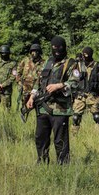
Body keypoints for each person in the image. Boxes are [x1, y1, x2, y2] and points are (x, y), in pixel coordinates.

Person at [26, 36, 79, 164]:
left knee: (60, 140)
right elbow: (39, 82)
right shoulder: (47, 62)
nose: (56, 50)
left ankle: (63, 166)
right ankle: (42, 163)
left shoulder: (71, 64)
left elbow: (76, 82)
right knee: (40, 137)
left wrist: (59, 85)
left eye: (59, 48)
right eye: (54, 48)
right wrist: (32, 96)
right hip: (43, 107)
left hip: (60, 109)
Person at [72, 47, 99, 131]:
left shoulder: (97, 65)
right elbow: (72, 76)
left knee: (97, 117)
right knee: (75, 118)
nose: (85, 56)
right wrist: (75, 62)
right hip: (80, 95)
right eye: (83, 54)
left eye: (86, 54)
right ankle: (74, 136)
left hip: (93, 95)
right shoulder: (78, 65)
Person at [16, 43, 45, 119]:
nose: (33, 53)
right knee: (24, 108)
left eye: (36, 51)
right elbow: (17, 72)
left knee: (39, 108)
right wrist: (19, 83)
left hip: (38, 90)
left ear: (39, 52)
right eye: (32, 51)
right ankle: (23, 121)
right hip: (25, 89)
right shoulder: (25, 61)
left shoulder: (44, 63)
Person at [0, 45, 17, 111]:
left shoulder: (13, 63)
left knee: (7, 110)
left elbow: (13, 77)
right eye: (2, 53)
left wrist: (3, 85)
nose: (4, 55)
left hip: (6, 91)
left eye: (5, 53)